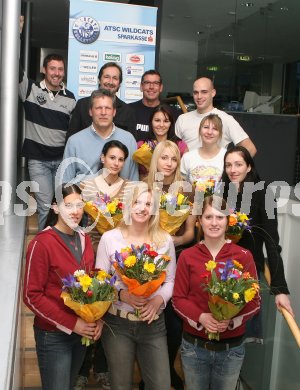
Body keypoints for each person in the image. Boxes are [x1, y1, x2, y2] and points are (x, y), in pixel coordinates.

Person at [173, 195, 261, 390]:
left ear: (228, 221)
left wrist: (230, 320)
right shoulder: (187, 256)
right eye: (208, 217)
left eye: (220, 217)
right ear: (198, 222)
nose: (214, 223)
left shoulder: (243, 256)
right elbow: (178, 299)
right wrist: (201, 317)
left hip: (231, 350)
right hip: (194, 348)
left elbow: (254, 300)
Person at [95, 186, 176, 390]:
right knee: (120, 385)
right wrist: (122, 295)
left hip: (153, 324)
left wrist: (159, 300)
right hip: (118, 323)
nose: (142, 208)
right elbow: (100, 281)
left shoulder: (164, 240)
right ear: (127, 206)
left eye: (148, 204)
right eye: (137, 203)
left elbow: (171, 280)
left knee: (161, 385)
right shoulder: (110, 238)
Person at [23, 184, 102, 390]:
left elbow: (92, 285)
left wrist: (96, 317)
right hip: (53, 336)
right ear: (55, 208)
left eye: (79, 205)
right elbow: (32, 296)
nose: (75, 211)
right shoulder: (41, 243)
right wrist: (71, 323)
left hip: (81, 333)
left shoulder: (84, 239)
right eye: (68, 206)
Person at [220, 146, 294, 322]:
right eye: (228, 165)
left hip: (248, 270)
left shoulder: (264, 193)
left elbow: (271, 242)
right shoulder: (223, 192)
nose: (232, 170)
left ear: (249, 167)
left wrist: (280, 289)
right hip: (220, 268)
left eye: (238, 164)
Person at [146, 140, 196, 390]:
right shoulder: (144, 186)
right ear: (156, 159)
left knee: (175, 325)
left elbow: (189, 235)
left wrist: (167, 241)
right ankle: (149, 376)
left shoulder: (186, 188)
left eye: (173, 159)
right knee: (149, 321)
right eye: (164, 157)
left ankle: (166, 370)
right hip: (145, 262)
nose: (168, 163)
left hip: (177, 258)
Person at [19, 44, 76, 230]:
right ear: (44, 70)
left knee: (62, 205)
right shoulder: (30, 89)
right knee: (45, 206)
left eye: (60, 69)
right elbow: (14, 67)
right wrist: (16, 35)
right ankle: (44, 247)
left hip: (61, 162)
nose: (57, 73)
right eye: (52, 68)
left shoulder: (71, 98)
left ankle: (60, 244)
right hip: (38, 162)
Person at [62, 89, 138, 183]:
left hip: (121, 196)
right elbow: (65, 183)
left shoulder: (128, 139)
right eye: (98, 108)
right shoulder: (74, 142)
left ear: (114, 112)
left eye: (108, 108)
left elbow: (134, 181)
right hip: (82, 196)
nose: (103, 112)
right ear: (90, 111)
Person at [175, 77, 257, 156]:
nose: (199, 96)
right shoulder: (182, 119)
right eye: (196, 92)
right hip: (185, 169)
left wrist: (233, 167)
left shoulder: (225, 119)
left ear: (213, 93)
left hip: (214, 170)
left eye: (204, 92)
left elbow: (250, 148)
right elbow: (172, 149)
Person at [67, 62, 135, 139]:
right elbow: (71, 138)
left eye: (115, 78)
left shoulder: (127, 111)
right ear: (99, 80)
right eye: (107, 77)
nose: (110, 82)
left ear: (119, 84)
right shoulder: (82, 105)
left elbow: (130, 142)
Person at [136, 104, 187, 178]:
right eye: (157, 120)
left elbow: (184, 174)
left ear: (171, 123)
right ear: (151, 122)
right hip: (146, 186)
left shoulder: (180, 146)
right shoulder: (140, 145)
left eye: (166, 121)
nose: (161, 125)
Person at [129, 70, 179, 142]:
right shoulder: (129, 110)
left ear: (161, 87)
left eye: (156, 83)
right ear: (141, 86)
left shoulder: (172, 113)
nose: (151, 87)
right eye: (147, 83)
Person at [180, 113, 226, 185]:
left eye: (215, 129)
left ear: (220, 134)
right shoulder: (188, 157)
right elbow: (181, 187)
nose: (209, 132)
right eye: (206, 127)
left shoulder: (227, 157)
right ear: (200, 131)